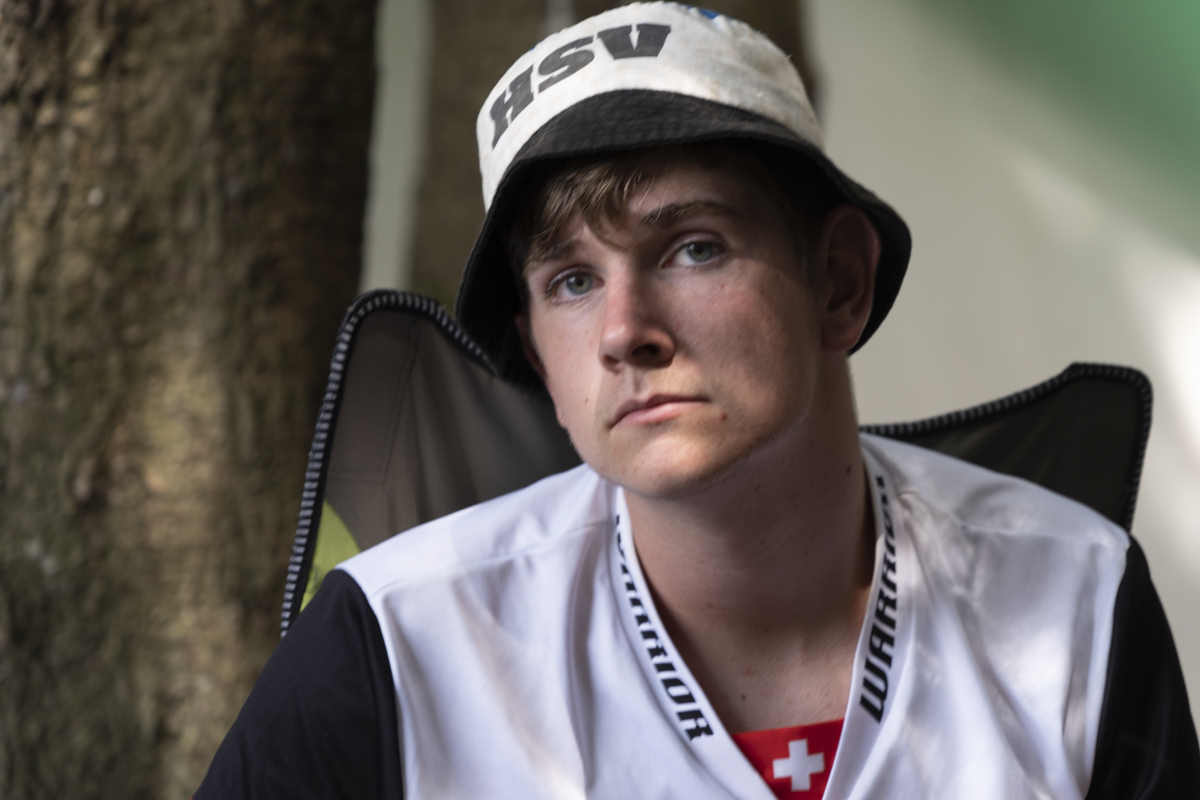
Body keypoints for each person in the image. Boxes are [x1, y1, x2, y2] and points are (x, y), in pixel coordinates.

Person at [195, 4, 1199, 798]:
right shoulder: (395, 641)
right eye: (571, 281)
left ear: (839, 282)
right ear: (538, 358)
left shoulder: (1075, 595)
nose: (624, 329)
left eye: (693, 247)